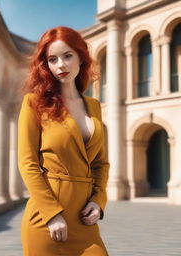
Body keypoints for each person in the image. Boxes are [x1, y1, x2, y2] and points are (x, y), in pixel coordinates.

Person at [18, 26, 110, 256]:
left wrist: (98, 201)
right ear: (46, 65)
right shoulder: (34, 103)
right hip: (46, 220)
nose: (61, 65)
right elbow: (27, 163)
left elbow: (100, 164)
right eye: (52, 59)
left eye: (67, 56)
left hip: (85, 220)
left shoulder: (94, 106)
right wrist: (51, 213)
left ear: (81, 56)